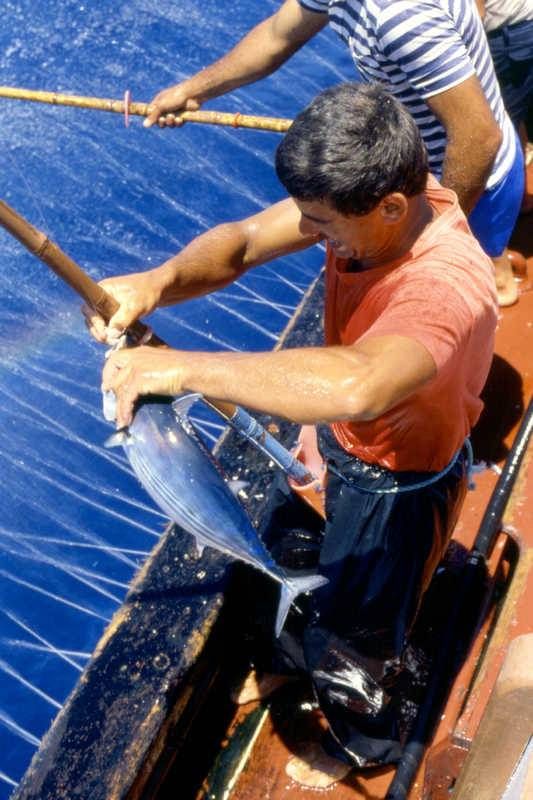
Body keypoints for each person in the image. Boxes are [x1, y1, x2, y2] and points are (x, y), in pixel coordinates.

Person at [86, 83, 498, 786]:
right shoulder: (374, 200)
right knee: (283, 551)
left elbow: (359, 382)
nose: (311, 234)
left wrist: (179, 370)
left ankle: (363, 739)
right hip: (333, 446)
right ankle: (291, 661)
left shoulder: (444, 285)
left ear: (391, 207)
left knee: (355, 639)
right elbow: (243, 242)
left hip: (395, 487)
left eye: (323, 224)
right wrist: (154, 284)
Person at [142, 0, 524, 306]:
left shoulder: (400, 18)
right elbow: (278, 34)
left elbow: (477, 137)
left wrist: (431, 232)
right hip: (420, 165)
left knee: (466, 290)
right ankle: (494, 264)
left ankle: (495, 284)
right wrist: (194, 91)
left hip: (471, 182)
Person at [476, 0, 533, 214]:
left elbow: (477, 13)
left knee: (499, 124)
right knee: (510, 117)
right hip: (517, 30)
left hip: (509, 38)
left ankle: (511, 205)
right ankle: (520, 198)